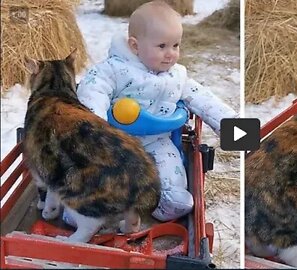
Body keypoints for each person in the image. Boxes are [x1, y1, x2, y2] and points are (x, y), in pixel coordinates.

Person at [76, 0, 238, 222]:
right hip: (118, 142)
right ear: (135, 46)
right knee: (97, 172)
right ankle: (84, 209)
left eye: (176, 45)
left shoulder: (177, 76)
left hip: (158, 141)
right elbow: (93, 90)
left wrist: (233, 127)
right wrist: (96, 128)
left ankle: (165, 203)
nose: (170, 54)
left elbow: (204, 100)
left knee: (174, 176)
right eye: (162, 46)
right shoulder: (114, 69)